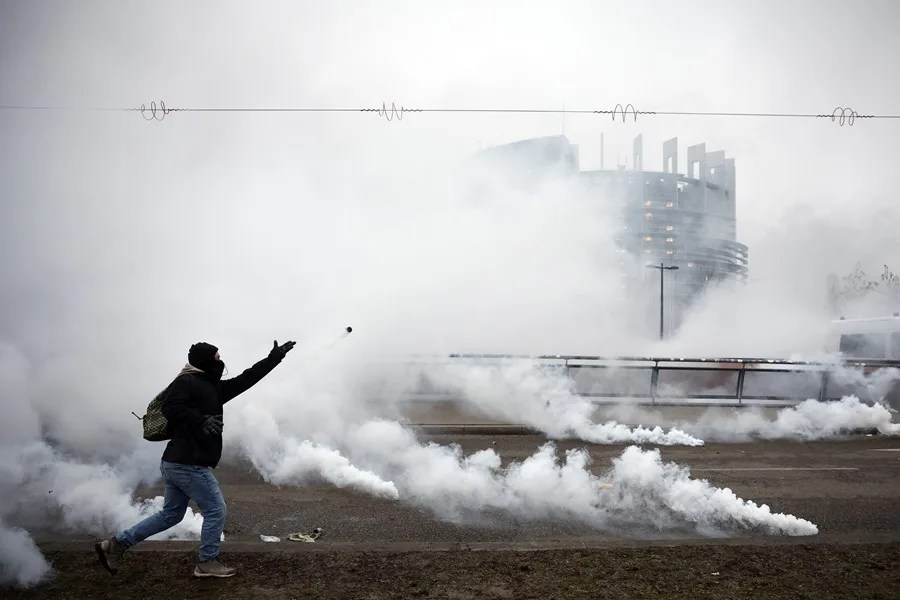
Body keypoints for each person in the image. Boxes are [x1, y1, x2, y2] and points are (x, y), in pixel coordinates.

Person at [95, 339, 296, 578]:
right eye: (217, 358)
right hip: (187, 463)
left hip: (176, 462)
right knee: (216, 510)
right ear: (205, 361)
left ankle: (116, 544)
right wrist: (201, 419)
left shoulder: (213, 387)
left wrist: (274, 358)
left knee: (170, 515)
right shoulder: (186, 382)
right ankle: (206, 562)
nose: (221, 361)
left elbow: (246, 379)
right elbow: (171, 408)